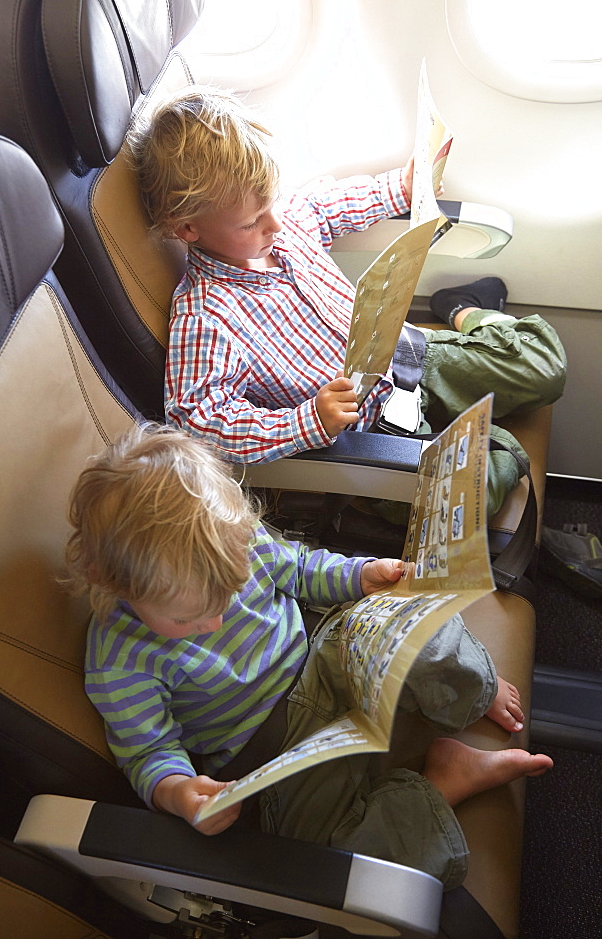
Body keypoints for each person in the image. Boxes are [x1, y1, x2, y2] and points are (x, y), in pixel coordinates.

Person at [66, 424, 553, 888]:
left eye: (228, 596)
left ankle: (472, 690)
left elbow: (300, 570)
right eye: (187, 620)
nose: (213, 624)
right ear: (115, 586)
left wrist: (363, 575)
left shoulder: (237, 538)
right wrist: (177, 793)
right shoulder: (120, 662)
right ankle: (443, 782)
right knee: (332, 859)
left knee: (411, 624)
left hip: (327, 652)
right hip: (277, 750)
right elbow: (149, 752)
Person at [130, 87, 567, 517]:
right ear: (187, 229)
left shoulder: (285, 222)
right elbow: (199, 423)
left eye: (274, 201)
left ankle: (464, 309)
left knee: (545, 367)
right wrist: (305, 420)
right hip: (370, 430)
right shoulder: (204, 317)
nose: (277, 223)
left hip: (407, 356)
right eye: (250, 223)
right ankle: (490, 439)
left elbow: (330, 205)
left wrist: (403, 186)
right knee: (472, 498)